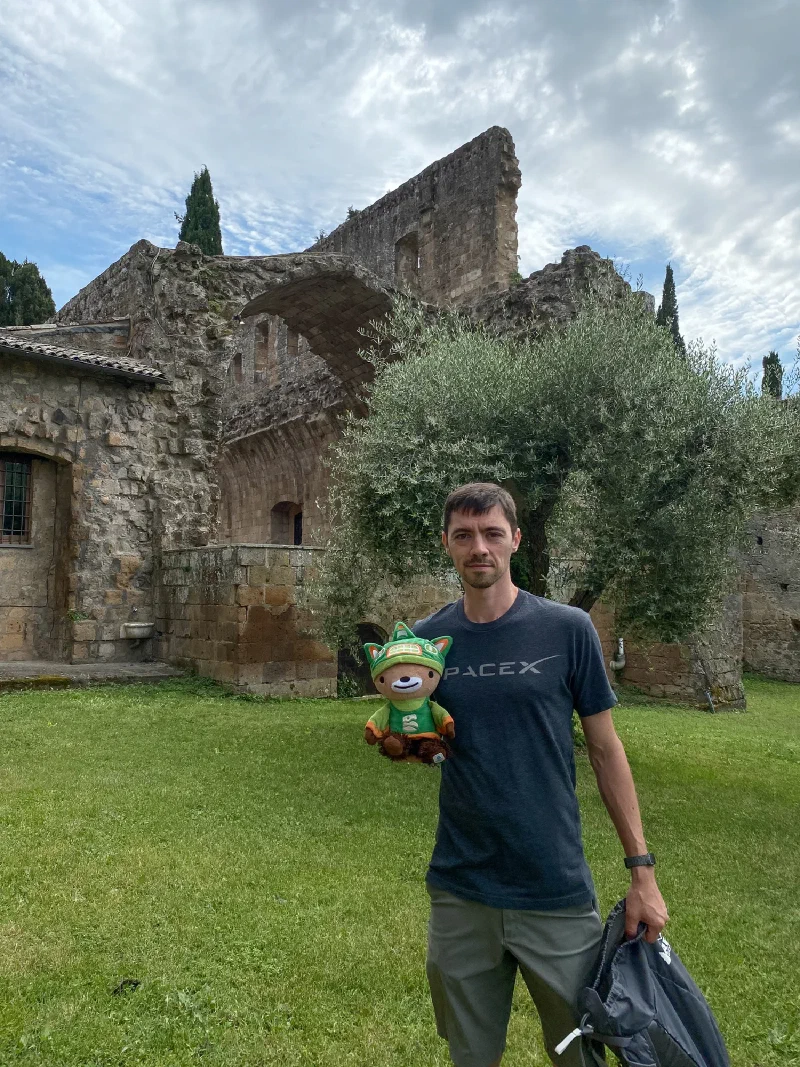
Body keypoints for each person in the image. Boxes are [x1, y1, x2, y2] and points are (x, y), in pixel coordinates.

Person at [413, 482, 668, 1067]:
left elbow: (605, 751)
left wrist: (641, 871)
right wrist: (413, 746)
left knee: (579, 1055)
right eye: (464, 535)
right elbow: (425, 733)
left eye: (492, 534)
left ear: (515, 540)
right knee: (469, 1057)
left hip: (553, 888)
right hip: (461, 889)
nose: (479, 547)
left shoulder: (567, 629)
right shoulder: (428, 642)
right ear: (447, 545)